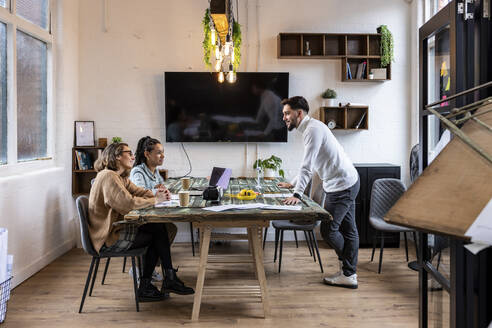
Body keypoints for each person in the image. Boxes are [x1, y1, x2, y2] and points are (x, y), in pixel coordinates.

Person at [89, 142, 194, 303]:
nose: (132, 156)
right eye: (128, 153)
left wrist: (157, 194)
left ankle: (154, 283)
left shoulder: (120, 177)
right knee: (158, 232)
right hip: (107, 238)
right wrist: (155, 201)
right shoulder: (108, 176)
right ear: (117, 156)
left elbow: (139, 192)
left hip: (114, 230)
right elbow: (128, 204)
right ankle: (163, 280)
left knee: (162, 228)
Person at [279, 96, 360, 289]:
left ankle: (349, 270)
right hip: (343, 182)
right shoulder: (311, 128)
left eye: (287, 113)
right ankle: (349, 272)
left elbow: (307, 166)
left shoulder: (312, 130)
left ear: (299, 113)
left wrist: (297, 194)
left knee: (328, 230)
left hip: (342, 185)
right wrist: (293, 184)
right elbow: (310, 164)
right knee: (349, 231)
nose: (284, 118)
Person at [130, 136, 178, 282]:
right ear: (147, 154)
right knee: (162, 230)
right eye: (158, 152)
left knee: (170, 228)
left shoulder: (155, 171)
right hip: (140, 218)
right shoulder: (137, 172)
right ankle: (141, 268)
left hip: (151, 212)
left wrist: (164, 191)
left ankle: (148, 267)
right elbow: (141, 192)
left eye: (162, 152)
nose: (162, 156)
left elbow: (160, 188)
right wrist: (157, 191)